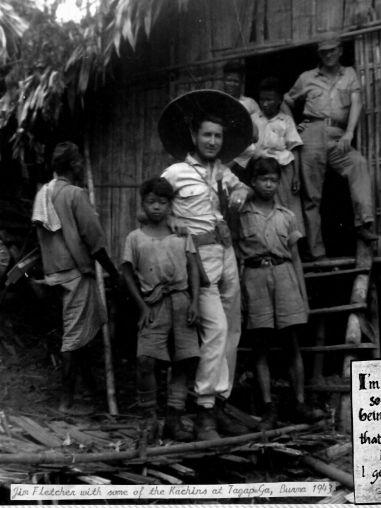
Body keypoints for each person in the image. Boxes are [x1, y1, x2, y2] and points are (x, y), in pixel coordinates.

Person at [159, 90, 253, 440]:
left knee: (232, 330)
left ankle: (220, 404)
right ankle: (204, 412)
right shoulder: (175, 172)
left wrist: (240, 192)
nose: (213, 142)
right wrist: (172, 223)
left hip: (225, 253)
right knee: (215, 331)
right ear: (194, 136)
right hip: (198, 260)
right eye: (207, 135)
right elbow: (152, 207)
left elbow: (241, 189)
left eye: (218, 136)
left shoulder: (221, 170)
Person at [32, 141, 119, 415]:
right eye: (79, 161)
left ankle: (91, 389)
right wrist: (113, 272)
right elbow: (94, 240)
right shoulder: (74, 194)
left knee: (78, 332)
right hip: (74, 274)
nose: (81, 165)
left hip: (53, 273)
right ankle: (66, 402)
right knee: (73, 337)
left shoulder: (44, 193)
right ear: (72, 165)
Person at [238, 157, 322, 429]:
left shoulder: (287, 216)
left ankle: (300, 403)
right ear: (253, 182)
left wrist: (303, 297)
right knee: (260, 345)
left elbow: (295, 258)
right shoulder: (242, 215)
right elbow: (237, 257)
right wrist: (240, 295)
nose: (269, 185)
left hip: (285, 277)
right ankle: (268, 407)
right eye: (264, 180)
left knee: (292, 343)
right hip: (255, 279)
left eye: (274, 180)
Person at [282, 34, 377, 260]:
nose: (328, 55)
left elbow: (356, 103)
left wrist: (350, 132)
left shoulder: (350, 74)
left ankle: (363, 223)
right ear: (319, 54)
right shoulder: (307, 77)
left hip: (337, 135)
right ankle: (317, 252)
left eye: (332, 50)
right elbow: (286, 101)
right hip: (312, 134)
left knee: (358, 163)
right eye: (324, 52)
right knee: (312, 196)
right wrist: (294, 129)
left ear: (340, 50)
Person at [121, 177, 200, 441]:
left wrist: (195, 302)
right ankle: (149, 419)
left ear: (170, 205)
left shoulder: (181, 234)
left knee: (184, 360)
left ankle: (174, 419)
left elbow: (193, 268)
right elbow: (127, 272)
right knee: (146, 360)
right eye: (151, 202)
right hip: (153, 304)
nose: (157, 207)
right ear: (143, 204)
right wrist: (142, 307)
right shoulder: (135, 238)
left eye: (163, 202)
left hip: (181, 301)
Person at [254, 76, 305, 234]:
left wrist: (296, 176)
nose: (265, 104)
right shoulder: (254, 119)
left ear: (279, 101)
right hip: (261, 170)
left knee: (287, 208)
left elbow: (294, 148)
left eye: (269, 100)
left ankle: (292, 241)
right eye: (262, 99)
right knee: (264, 209)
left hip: (283, 171)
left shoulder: (286, 120)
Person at [223, 60, 261, 183]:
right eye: (228, 80)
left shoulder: (250, 103)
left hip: (242, 154)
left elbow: (255, 135)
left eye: (235, 81)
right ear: (224, 80)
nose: (232, 84)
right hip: (221, 149)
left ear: (241, 83)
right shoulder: (218, 100)